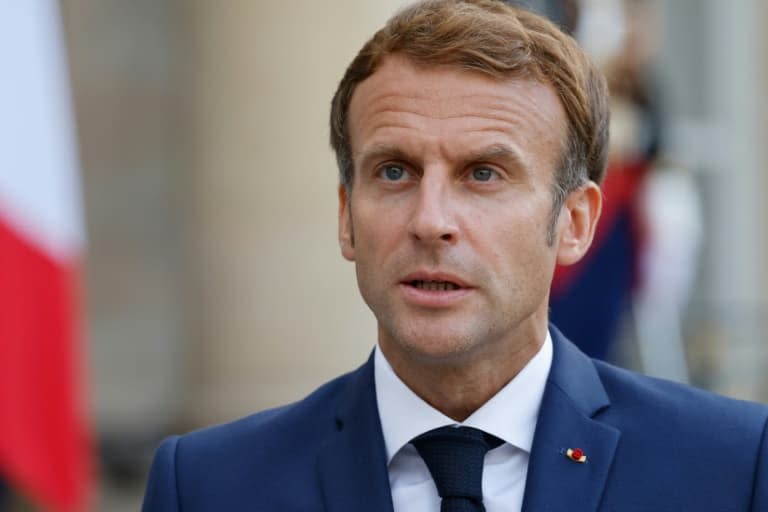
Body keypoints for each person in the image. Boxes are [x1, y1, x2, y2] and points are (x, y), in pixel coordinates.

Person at [142, 1, 768, 510]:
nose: (431, 221)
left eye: (484, 174)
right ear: (346, 216)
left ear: (574, 222)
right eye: (394, 171)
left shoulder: (730, 467)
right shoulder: (206, 486)